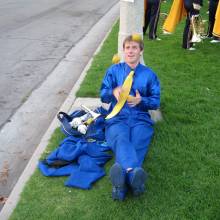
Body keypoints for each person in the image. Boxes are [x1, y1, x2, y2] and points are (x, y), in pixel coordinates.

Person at [100, 34, 160, 201]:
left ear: (141, 51)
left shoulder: (149, 75)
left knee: (138, 143)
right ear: (124, 51)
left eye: (134, 47)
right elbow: (103, 95)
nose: (130, 51)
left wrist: (142, 100)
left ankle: (120, 187)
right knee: (121, 139)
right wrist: (112, 92)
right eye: (127, 48)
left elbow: (155, 102)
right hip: (117, 117)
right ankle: (135, 181)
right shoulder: (113, 71)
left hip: (140, 117)